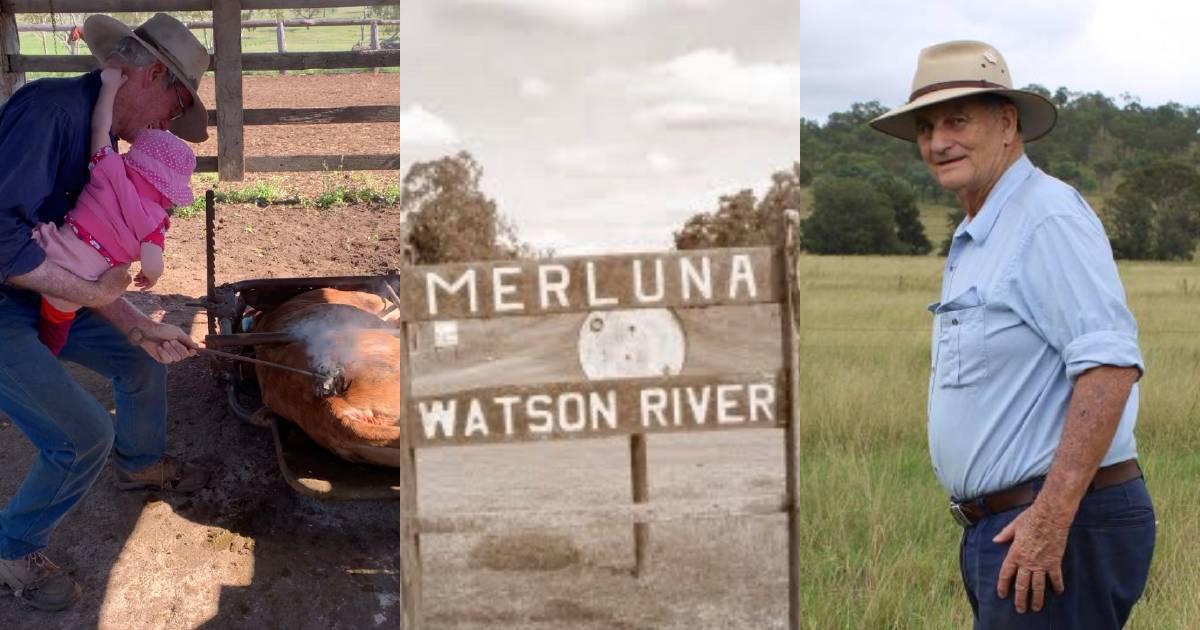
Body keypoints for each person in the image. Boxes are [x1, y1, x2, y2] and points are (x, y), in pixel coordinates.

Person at [868, 41, 1154, 628]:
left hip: (1058, 521)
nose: (937, 141)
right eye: (925, 127)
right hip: (1013, 525)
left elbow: (1109, 366)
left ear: (1006, 123)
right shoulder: (983, 227)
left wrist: (1051, 518)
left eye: (956, 119)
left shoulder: (1045, 217)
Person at [0, 13, 212, 611]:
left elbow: (86, 259)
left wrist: (139, 324)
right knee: (81, 435)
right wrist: (95, 298)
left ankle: (140, 465)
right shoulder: (51, 112)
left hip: (37, 287)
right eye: (175, 109)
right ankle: (12, 551)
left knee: (141, 361)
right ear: (151, 76)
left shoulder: (103, 134)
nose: (167, 124)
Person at [34, 67, 196, 355]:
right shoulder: (155, 223)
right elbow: (153, 263)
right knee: (55, 327)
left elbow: (100, 127)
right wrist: (152, 276)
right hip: (79, 284)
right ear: (169, 191)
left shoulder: (108, 168)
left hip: (48, 251)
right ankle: (44, 352)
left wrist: (109, 87)